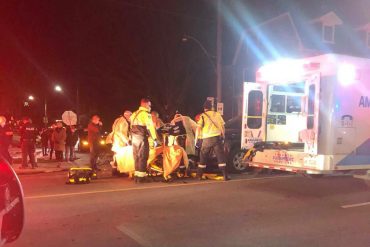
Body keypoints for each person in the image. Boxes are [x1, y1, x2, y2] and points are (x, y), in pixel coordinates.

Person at [195, 100, 230, 181]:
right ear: (211, 107)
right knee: (220, 157)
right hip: (216, 138)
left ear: (204, 108)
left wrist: (196, 140)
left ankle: (199, 176)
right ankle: (225, 176)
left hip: (206, 139)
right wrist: (223, 136)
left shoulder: (203, 116)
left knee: (203, 156)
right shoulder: (217, 114)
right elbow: (222, 127)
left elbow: (198, 128)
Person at [130, 98, 158, 183]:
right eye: (149, 105)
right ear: (145, 105)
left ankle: (137, 176)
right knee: (143, 156)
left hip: (134, 137)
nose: (150, 107)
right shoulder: (146, 114)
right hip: (141, 137)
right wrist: (154, 138)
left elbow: (131, 126)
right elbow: (150, 127)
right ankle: (141, 178)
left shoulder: (134, 114)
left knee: (137, 157)